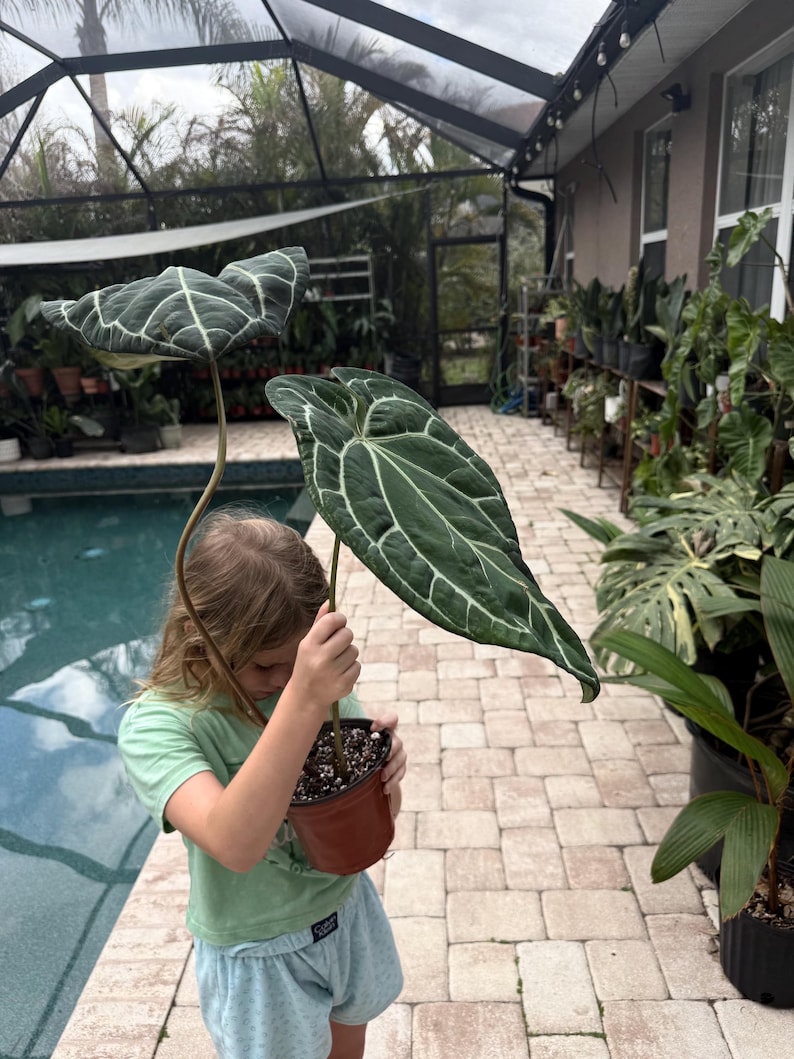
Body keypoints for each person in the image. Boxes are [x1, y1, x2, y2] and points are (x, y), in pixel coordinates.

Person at [117, 509, 406, 1059]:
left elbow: (373, 822)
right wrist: (305, 695)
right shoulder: (160, 725)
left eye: (294, 664)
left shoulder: (309, 682)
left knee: (349, 1044)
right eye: (264, 667)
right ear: (199, 637)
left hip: (344, 910)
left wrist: (386, 778)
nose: (283, 682)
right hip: (259, 949)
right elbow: (235, 843)